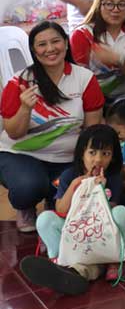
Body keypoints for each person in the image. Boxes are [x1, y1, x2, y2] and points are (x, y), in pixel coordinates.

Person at [0, 22, 104, 233]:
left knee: (79, 188)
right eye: (42, 44)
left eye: (56, 41)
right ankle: (25, 206)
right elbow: (14, 132)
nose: (50, 49)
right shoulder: (19, 82)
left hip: (67, 158)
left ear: (66, 43)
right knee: (28, 187)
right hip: (21, 155)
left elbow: (92, 129)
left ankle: (53, 201)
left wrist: (91, 163)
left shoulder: (84, 78)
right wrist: (25, 109)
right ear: (33, 50)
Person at [19, 124, 125, 294]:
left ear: (113, 157)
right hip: (75, 233)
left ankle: (113, 261)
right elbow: (61, 211)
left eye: (106, 154)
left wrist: (99, 189)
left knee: (122, 213)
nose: (98, 160)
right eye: (92, 153)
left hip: (101, 235)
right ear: (82, 153)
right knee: (45, 219)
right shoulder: (69, 175)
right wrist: (75, 185)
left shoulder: (113, 177)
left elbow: (109, 216)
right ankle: (59, 261)